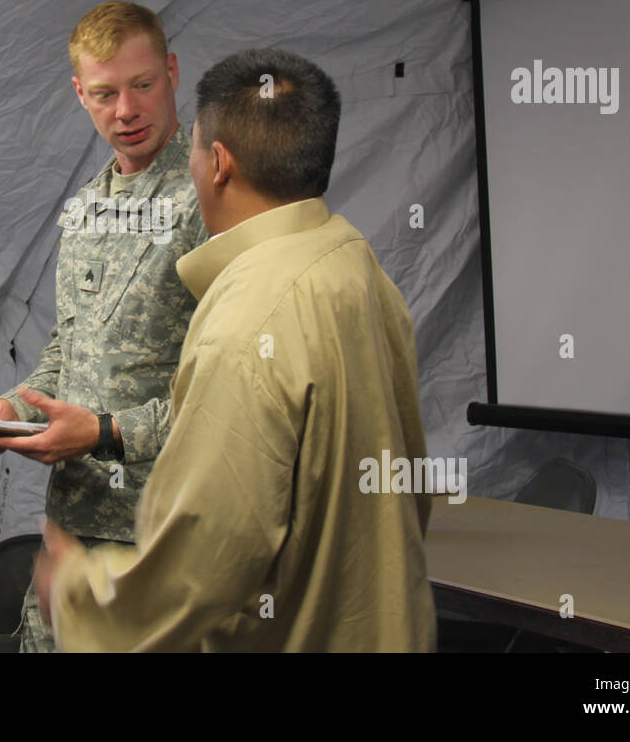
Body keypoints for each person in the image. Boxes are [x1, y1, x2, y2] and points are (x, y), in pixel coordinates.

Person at [33, 48, 437, 651]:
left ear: (217, 163)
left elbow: (203, 569)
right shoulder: (353, 262)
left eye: (193, 147)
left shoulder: (246, 325)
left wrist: (76, 590)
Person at [0, 1, 207, 652]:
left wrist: (103, 433)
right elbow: (67, 354)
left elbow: (238, 390)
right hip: (73, 532)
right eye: (104, 93)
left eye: (143, 85)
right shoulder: (87, 209)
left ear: (173, 72)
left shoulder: (213, 197)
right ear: (80, 94)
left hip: (167, 539)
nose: (125, 111)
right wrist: (11, 409)